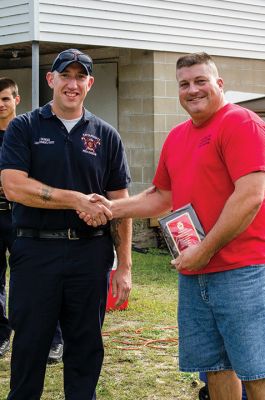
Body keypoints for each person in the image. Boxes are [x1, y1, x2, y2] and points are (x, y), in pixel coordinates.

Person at [82, 52, 265, 400]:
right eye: (184, 84)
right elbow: (161, 195)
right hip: (195, 273)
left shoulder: (241, 123)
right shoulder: (178, 136)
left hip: (243, 271)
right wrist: (110, 206)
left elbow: (251, 196)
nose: (192, 90)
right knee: (214, 366)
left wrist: (204, 249)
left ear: (219, 84)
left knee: (256, 369)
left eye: (200, 81)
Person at [0, 49, 132, 399]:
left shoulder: (106, 135)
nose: (72, 84)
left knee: (86, 346)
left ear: (89, 83)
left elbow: (121, 204)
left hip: (90, 254)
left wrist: (125, 266)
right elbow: (14, 185)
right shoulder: (24, 127)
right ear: (51, 80)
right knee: (29, 345)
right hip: (35, 250)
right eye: (65, 75)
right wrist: (76, 199)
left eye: (80, 77)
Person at [0, 77, 64, 364]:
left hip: (23, 216)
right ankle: (2, 336)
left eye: (5, 99)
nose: (0, 105)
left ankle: (53, 340)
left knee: (39, 280)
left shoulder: (29, 131)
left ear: (17, 99)